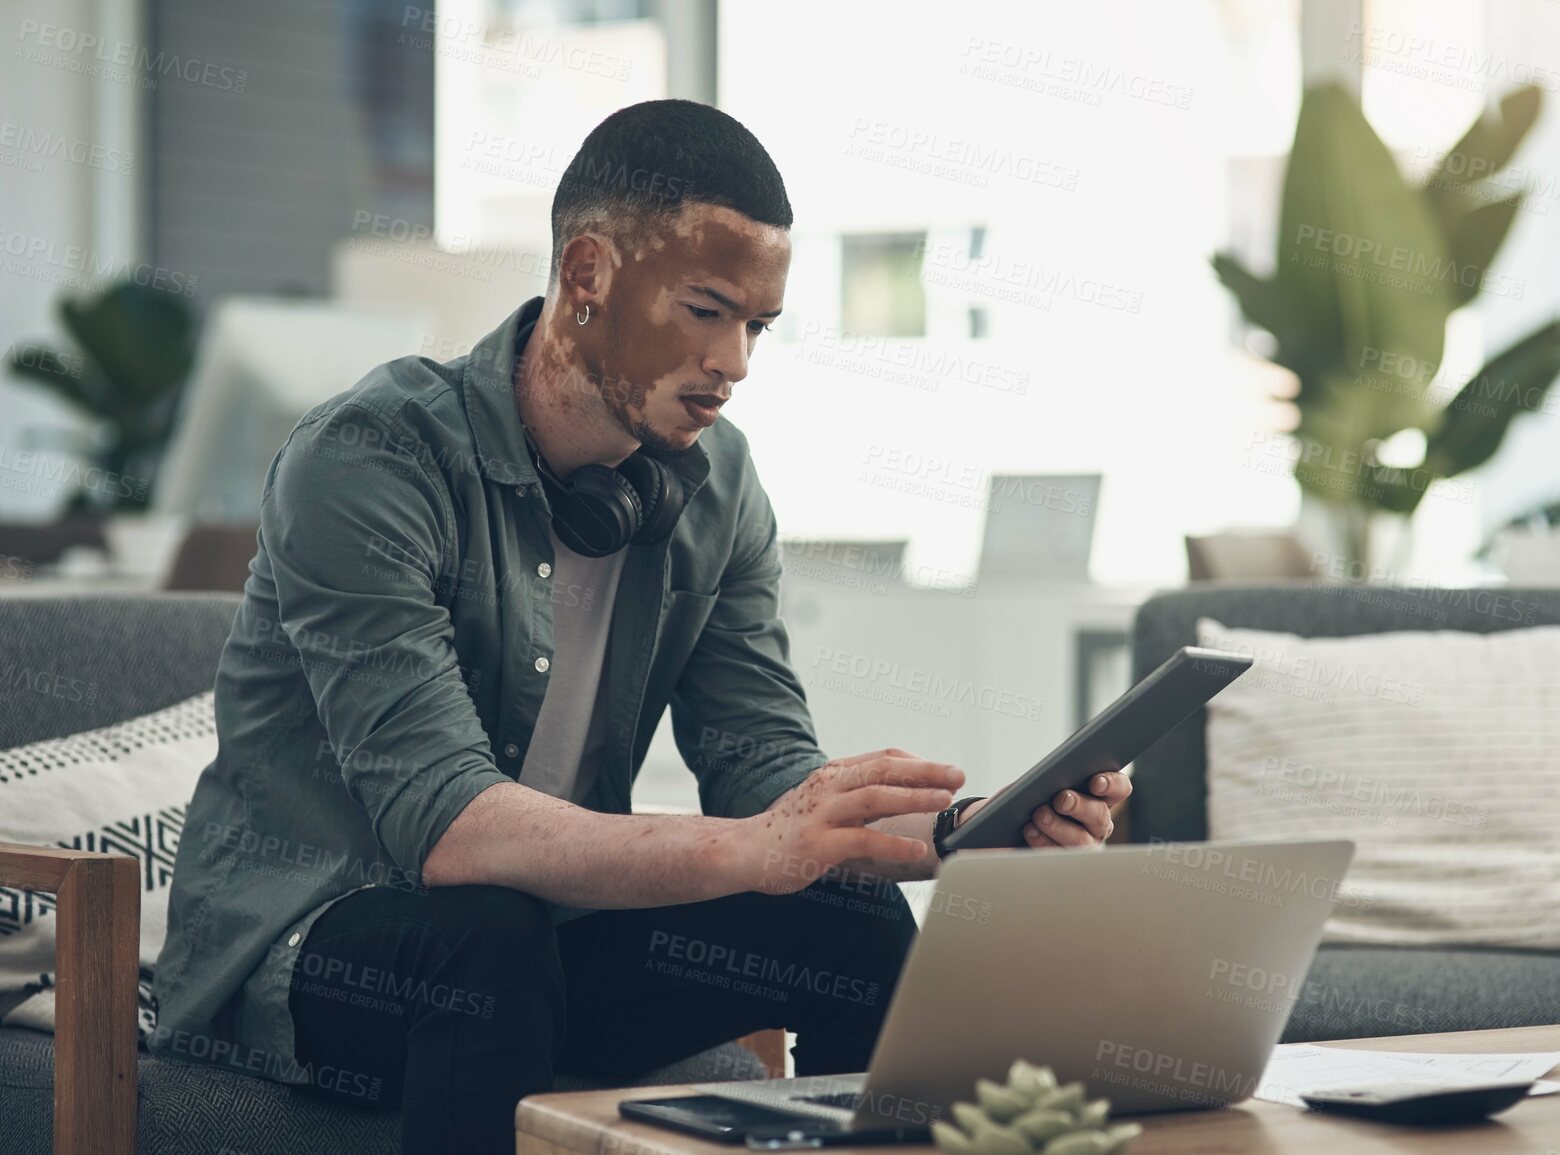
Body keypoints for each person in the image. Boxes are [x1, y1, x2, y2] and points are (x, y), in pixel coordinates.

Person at [152, 98, 1131, 1155]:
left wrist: (969, 833)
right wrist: (752, 849)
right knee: (486, 939)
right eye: (707, 310)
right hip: (313, 951)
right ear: (588, 277)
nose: (737, 361)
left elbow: (763, 768)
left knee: (847, 923)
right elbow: (450, 830)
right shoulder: (369, 460)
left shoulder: (718, 485)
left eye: (756, 325)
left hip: (546, 944)